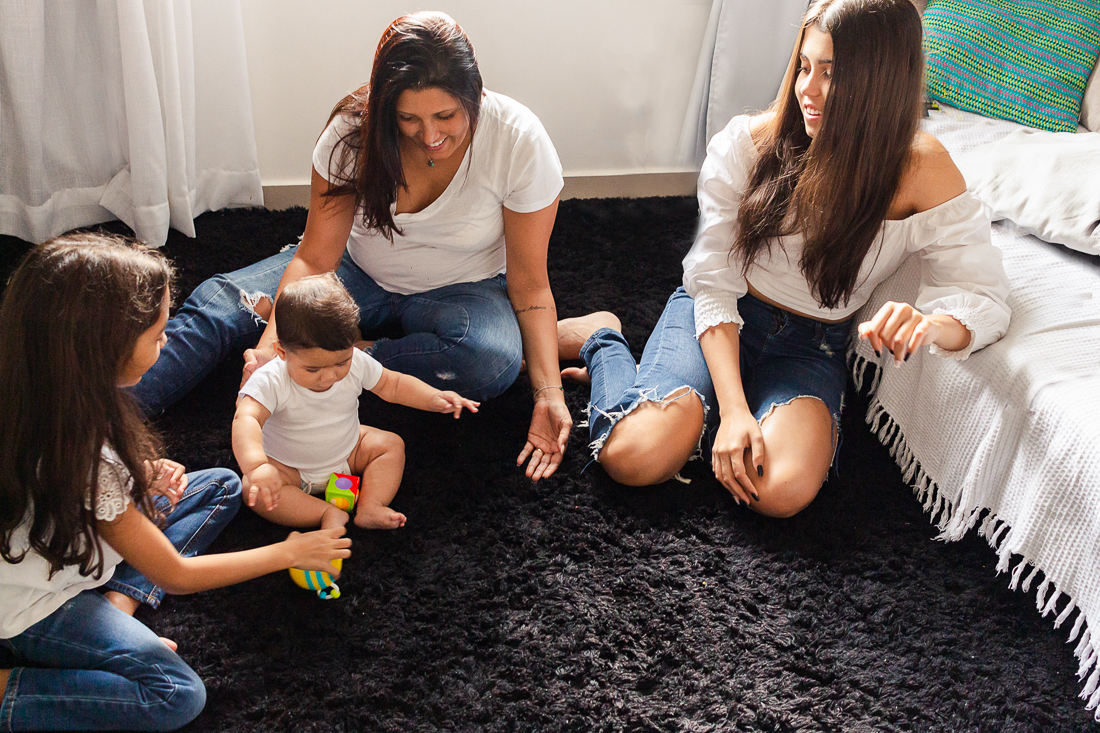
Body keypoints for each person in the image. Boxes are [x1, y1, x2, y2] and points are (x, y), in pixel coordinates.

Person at [559, 0, 1011, 518]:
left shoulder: (922, 168)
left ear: (881, 82)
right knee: (635, 457)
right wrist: (730, 412)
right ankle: (603, 339)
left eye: (831, 74)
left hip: (810, 345)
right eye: (804, 66)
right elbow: (712, 279)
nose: (807, 90)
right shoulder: (749, 142)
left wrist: (930, 325)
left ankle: (697, 412)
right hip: (721, 315)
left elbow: (983, 294)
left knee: (779, 492)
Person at [129, 11, 571, 481]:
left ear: (475, 96)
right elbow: (316, 257)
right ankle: (100, 411)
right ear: (385, 107)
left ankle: (340, 355)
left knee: (491, 360)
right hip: (353, 272)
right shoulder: (351, 134)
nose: (431, 136)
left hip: (464, 289)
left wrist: (548, 394)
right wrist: (269, 354)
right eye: (408, 118)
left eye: (446, 115)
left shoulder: (519, 140)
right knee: (222, 304)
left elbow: (528, 285)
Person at [0, 235, 351, 731]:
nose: (167, 343)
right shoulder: (89, 461)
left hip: (62, 541)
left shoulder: (45, 391)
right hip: (34, 604)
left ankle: (118, 601)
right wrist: (291, 553)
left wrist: (139, 477)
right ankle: (10, 692)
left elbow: (56, 487)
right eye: (159, 334)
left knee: (221, 486)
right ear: (107, 347)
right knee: (175, 695)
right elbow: (176, 576)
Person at [233, 273, 479, 532]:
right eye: (313, 369)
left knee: (391, 446)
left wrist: (433, 397)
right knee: (253, 489)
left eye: (341, 362)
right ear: (282, 352)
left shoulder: (356, 363)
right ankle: (324, 513)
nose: (330, 376)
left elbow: (392, 385)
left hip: (347, 452)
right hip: (287, 468)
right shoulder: (271, 378)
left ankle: (371, 506)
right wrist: (258, 465)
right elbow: (246, 418)